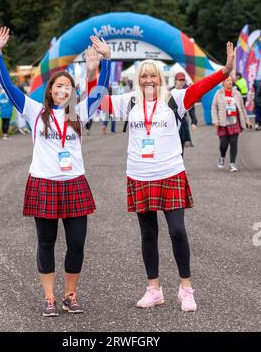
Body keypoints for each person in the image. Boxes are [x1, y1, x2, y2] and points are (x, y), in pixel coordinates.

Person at [98, 42, 235, 312]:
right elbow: (98, 100)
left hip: (170, 173)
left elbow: (201, 87)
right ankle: (154, 289)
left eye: (153, 75)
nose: (149, 79)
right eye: (144, 76)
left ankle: (186, 288)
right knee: (148, 234)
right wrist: (103, 63)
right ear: (139, 80)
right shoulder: (130, 102)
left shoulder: (175, 99)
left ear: (161, 79)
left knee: (177, 231)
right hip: (139, 175)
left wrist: (225, 70)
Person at [0, 26, 111, 317]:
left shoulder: (80, 113)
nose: (63, 90)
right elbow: (8, 86)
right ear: (50, 90)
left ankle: (70, 295)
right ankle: (49, 299)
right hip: (43, 183)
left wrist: (106, 60)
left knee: (77, 243)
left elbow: (101, 90)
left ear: (72, 92)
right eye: (59, 86)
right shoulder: (35, 111)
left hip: (74, 183)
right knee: (46, 242)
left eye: (68, 87)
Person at [211, 75, 252, 172]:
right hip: (223, 122)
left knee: (234, 142)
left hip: (235, 121)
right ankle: (222, 157)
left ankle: (232, 164)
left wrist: (247, 120)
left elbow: (242, 108)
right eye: (227, 80)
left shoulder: (237, 93)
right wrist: (215, 120)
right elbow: (214, 107)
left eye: (231, 80)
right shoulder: (218, 93)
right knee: (223, 145)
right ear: (223, 82)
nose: (229, 82)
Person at [172, 72, 198, 155]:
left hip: (182, 122)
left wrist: (193, 122)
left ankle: (179, 163)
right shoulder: (170, 92)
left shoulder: (186, 92)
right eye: (179, 80)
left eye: (183, 80)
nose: (181, 82)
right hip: (171, 122)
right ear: (175, 80)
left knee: (181, 146)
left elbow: (191, 109)